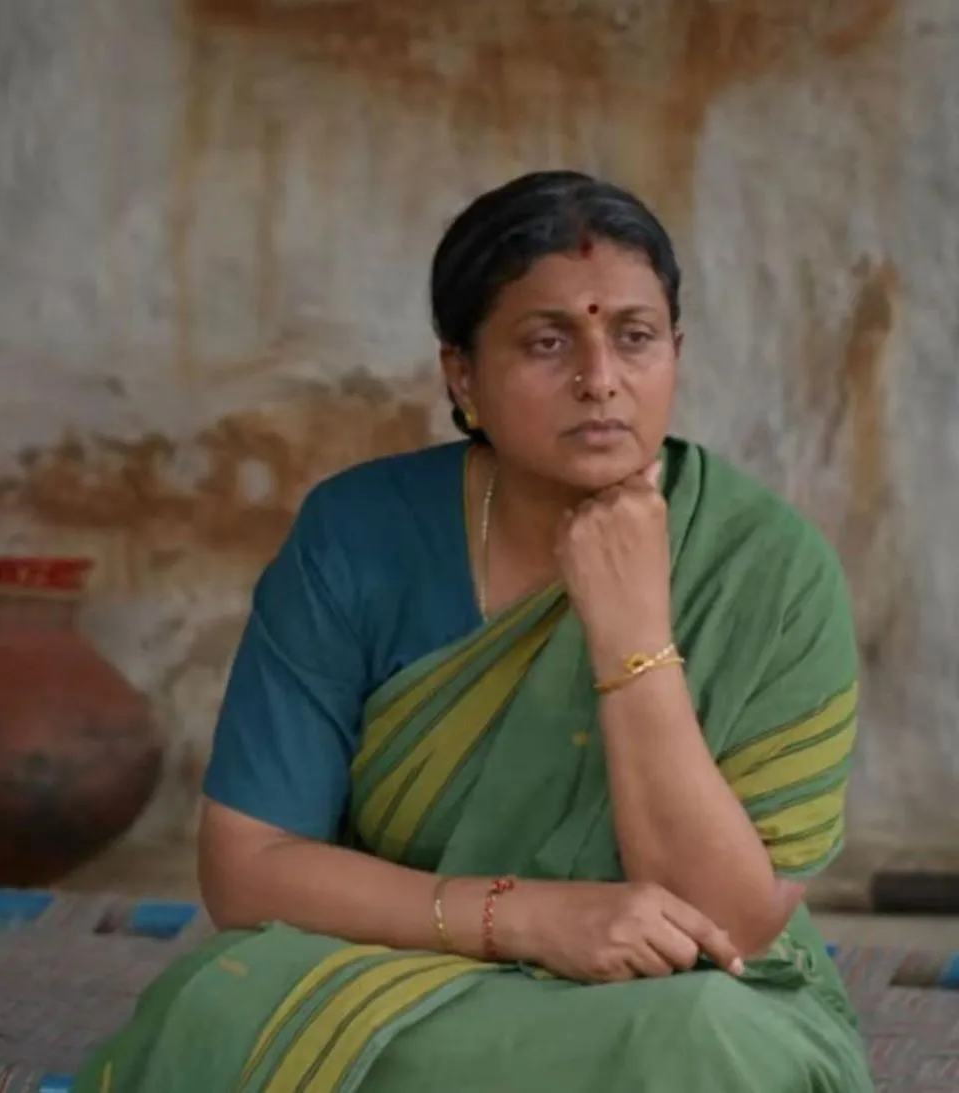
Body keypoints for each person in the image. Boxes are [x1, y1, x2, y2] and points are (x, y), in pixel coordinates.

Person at [75, 171, 872, 1091]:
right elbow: (249, 870)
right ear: (463, 374)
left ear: (676, 353)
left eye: (635, 337)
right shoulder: (359, 537)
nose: (600, 380)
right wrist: (529, 918)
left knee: (704, 1041)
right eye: (547, 341)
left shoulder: (769, 569)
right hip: (404, 973)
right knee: (218, 1002)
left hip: (669, 998)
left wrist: (629, 636)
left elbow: (727, 923)